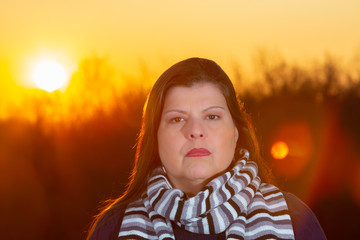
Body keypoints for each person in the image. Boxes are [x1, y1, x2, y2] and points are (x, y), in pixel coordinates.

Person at [87, 58, 326, 240]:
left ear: (236, 133)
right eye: (177, 119)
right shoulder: (114, 227)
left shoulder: (294, 219)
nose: (195, 131)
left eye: (212, 116)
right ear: (155, 138)